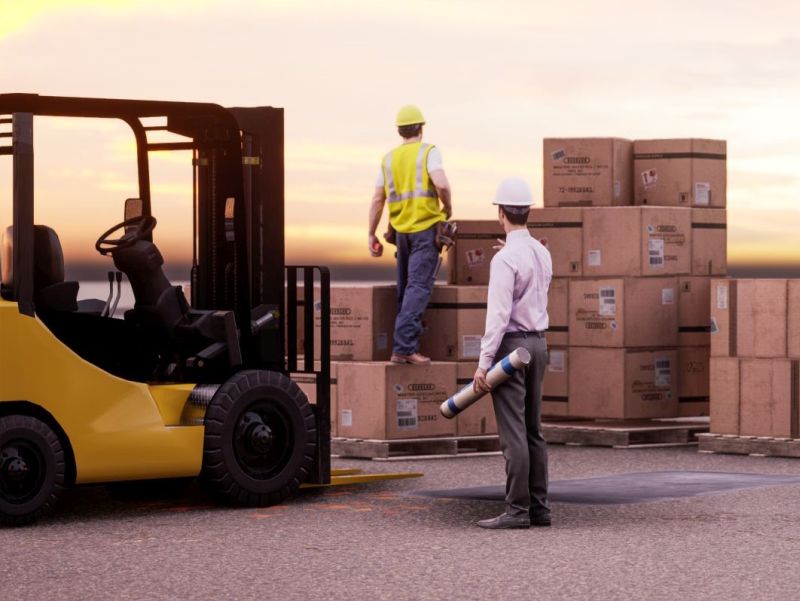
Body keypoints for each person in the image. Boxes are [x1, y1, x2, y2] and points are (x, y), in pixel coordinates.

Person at [473, 177, 553, 529]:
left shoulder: (505, 259)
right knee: (533, 429)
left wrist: (483, 363)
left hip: (512, 348)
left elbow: (499, 315)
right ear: (528, 211)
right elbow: (532, 284)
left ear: (501, 213)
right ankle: (539, 509)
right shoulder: (542, 252)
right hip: (539, 344)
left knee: (514, 434)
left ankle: (516, 512)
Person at [368, 105, 453, 365]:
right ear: (421, 127)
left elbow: (377, 200)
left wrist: (370, 233)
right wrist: (447, 209)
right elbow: (441, 184)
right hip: (425, 230)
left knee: (406, 290)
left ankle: (406, 345)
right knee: (417, 288)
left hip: (401, 233)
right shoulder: (429, 152)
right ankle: (404, 347)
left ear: (399, 131)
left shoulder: (388, 159)